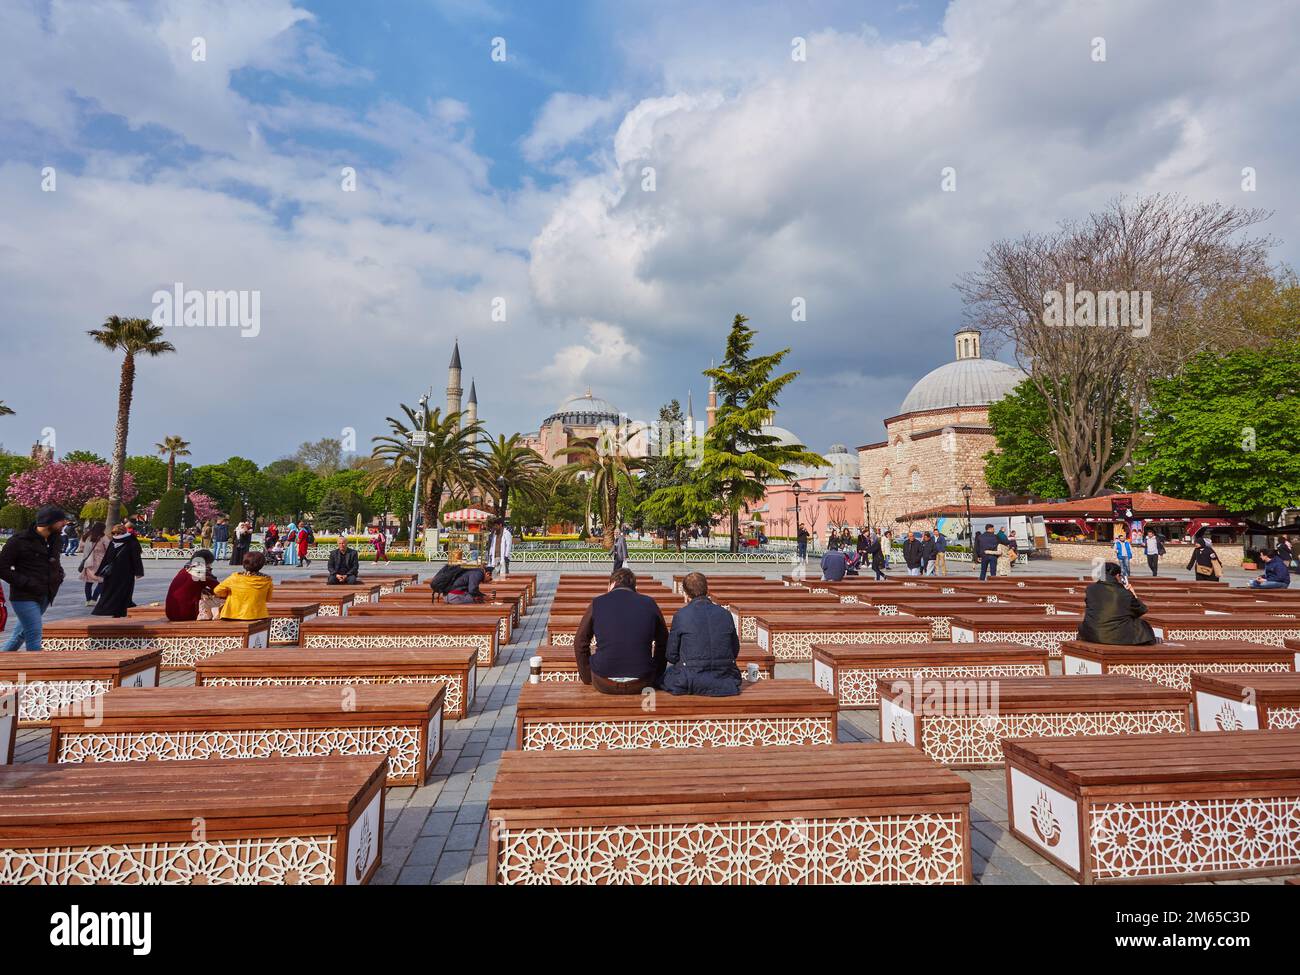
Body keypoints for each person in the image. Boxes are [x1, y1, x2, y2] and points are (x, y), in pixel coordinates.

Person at [573, 568, 668, 695]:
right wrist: (656, 672)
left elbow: (580, 641)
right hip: (643, 680)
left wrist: (586, 676)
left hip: (604, 680)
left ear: (611, 584)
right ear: (635, 586)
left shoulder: (598, 603)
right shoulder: (649, 603)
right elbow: (664, 642)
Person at [660, 572, 742, 696]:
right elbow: (734, 650)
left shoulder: (682, 615)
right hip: (725, 679)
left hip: (690, 680)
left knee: (663, 675)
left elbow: (671, 655)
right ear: (707, 590)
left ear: (686, 594)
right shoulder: (725, 614)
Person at [0, 506, 70, 651]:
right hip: (24, 596)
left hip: (46, 594)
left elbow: (54, 561)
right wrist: (26, 582)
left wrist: (59, 574)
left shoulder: (56, 540)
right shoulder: (19, 541)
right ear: (50, 522)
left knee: (20, 635)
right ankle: (35, 671)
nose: (64, 524)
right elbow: (2, 568)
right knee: (34, 636)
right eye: (61, 521)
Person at [1077, 562, 1157, 645]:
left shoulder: (1090, 589)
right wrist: (1133, 594)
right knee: (1142, 625)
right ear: (1117, 576)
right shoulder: (1123, 593)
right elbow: (1141, 610)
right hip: (1113, 636)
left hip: (1089, 633)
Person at [92, 518, 146, 617]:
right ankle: (110, 609)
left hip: (126, 573)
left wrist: (138, 572)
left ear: (123, 532)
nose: (116, 535)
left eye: (118, 533)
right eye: (114, 533)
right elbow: (107, 557)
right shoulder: (113, 542)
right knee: (109, 591)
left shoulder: (131, 541)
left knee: (123, 592)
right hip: (112, 573)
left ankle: (120, 611)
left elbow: (136, 558)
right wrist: (101, 571)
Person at [215, 551, 273, 620]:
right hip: (257, 615)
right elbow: (268, 598)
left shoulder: (235, 577)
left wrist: (229, 594)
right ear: (261, 565)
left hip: (231, 614)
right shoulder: (267, 580)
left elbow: (217, 591)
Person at [165, 550, 220, 621]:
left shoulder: (185, 569)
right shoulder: (200, 571)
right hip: (185, 614)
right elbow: (219, 589)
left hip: (171, 613)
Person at [77, 521, 109, 606]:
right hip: (100, 562)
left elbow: (80, 548)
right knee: (102, 581)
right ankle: (94, 599)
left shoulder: (86, 536)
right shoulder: (103, 537)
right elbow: (108, 548)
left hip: (88, 562)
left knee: (88, 582)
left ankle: (88, 600)